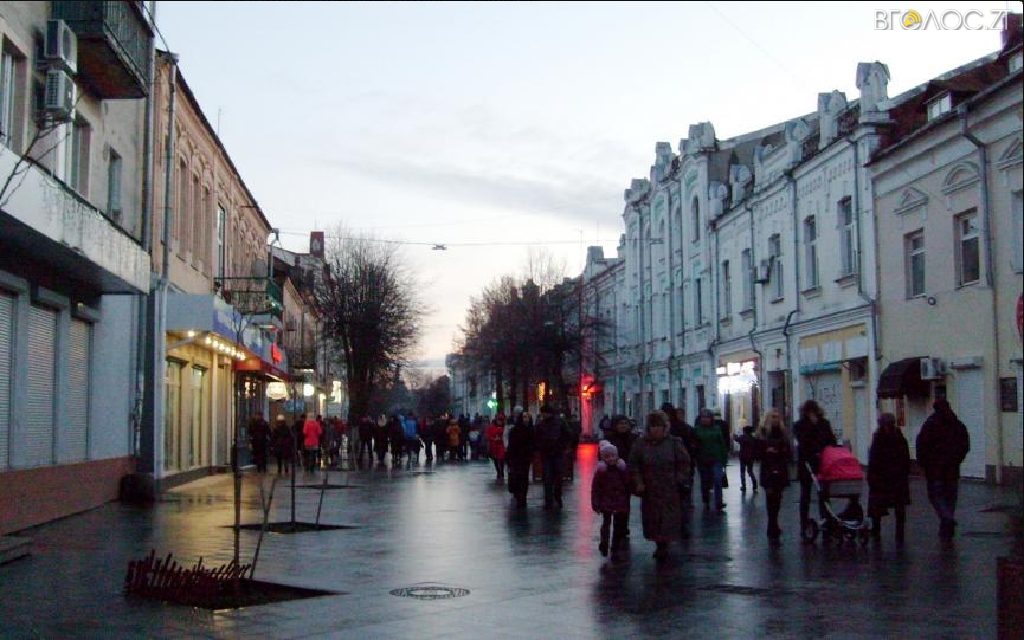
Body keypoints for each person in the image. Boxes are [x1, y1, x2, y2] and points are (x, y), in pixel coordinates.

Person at [629, 411, 690, 560]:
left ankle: (665, 543)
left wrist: (679, 478)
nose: (656, 429)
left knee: (668, 517)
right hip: (650, 488)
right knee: (653, 517)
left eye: (659, 426)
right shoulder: (641, 444)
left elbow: (684, 462)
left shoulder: (674, 443)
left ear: (665, 427)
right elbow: (634, 464)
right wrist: (639, 482)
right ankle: (659, 543)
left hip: (670, 487)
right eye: (653, 426)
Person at [916, 398, 970, 540]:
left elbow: (921, 445)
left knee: (936, 497)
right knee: (950, 498)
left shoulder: (930, 425)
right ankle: (947, 524)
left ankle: (947, 519)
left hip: (935, 470)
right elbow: (965, 445)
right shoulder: (957, 425)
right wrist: (957, 459)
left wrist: (923, 464)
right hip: (952, 469)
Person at [794, 400, 836, 532]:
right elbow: (803, 441)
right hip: (807, 464)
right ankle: (804, 523)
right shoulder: (799, 425)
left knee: (823, 493)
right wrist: (812, 426)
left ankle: (826, 520)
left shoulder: (824, 424)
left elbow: (831, 441)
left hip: (822, 462)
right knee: (805, 494)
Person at [868, 413, 910, 545]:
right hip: (895, 478)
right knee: (898, 506)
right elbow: (906, 458)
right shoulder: (899, 438)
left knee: (878, 503)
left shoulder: (879, 438)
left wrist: (872, 476)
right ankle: (898, 532)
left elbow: (873, 459)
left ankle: (877, 530)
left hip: (884, 477)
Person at [592, 441, 631, 558]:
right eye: (607, 456)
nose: (610, 459)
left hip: (619, 501)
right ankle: (604, 543)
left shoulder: (622, 470)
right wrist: (596, 503)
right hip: (607, 501)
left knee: (618, 525)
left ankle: (615, 546)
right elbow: (596, 489)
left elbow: (628, 484)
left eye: (613, 456)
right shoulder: (601, 472)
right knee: (606, 523)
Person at [758, 409, 791, 542]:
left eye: (777, 417)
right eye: (773, 417)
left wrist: (781, 451)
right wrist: (766, 451)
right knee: (770, 497)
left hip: (780, 468)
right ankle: (772, 525)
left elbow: (788, 451)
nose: (775, 419)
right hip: (768, 469)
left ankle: (774, 523)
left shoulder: (783, 434)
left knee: (777, 498)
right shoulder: (763, 434)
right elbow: (757, 452)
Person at [536, 404, 572, 509]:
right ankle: (549, 500)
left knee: (557, 477)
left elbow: (568, 434)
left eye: (544, 413)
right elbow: (537, 437)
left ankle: (556, 497)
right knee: (548, 478)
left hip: (557, 453)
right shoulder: (541, 424)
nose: (543, 415)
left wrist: (562, 445)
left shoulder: (559, 422)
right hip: (547, 454)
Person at [694, 409, 728, 511]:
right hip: (703, 459)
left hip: (716, 458)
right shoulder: (697, 430)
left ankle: (719, 502)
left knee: (717, 479)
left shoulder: (716, 429)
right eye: (703, 417)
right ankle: (706, 501)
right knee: (705, 481)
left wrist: (724, 459)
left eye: (707, 417)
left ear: (711, 419)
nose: (705, 419)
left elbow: (722, 444)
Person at [506, 412, 534, 508]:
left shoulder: (531, 430)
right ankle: (518, 495)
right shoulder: (514, 431)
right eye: (524, 417)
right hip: (516, 458)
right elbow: (511, 446)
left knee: (524, 478)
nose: (526, 419)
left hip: (525, 458)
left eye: (528, 417)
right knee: (518, 477)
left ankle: (522, 497)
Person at [733, 425, 759, 493]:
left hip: (743, 457)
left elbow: (736, 439)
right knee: (750, 471)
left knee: (742, 472)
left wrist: (734, 436)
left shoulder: (742, 437)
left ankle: (743, 486)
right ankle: (754, 485)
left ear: (745, 431)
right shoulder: (753, 438)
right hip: (750, 457)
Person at [486, 414, 506, 481]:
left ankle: (501, 471)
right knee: (495, 459)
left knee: (502, 459)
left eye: (501, 420)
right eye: (499, 420)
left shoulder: (505, 428)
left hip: (501, 445)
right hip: (494, 446)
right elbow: (488, 436)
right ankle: (498, 471)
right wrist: (493, 439)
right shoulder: (491, 427)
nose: (500, 422)